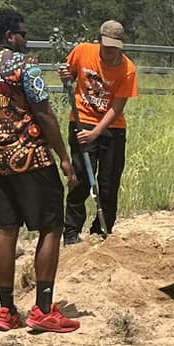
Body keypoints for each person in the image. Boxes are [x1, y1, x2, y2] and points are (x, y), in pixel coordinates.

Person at [0, 8, 81, 334]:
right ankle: (43, 309)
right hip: (32, 158)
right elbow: (44, 113)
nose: (27, 41)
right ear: (10, 36)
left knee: (6, 229)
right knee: (51, 227)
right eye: (24, 34)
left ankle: (6, 310)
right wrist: (62, 155)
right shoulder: (25, 65)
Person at [61, 19, 137, 245]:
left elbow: (117, 107)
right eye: (107, 46)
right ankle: (71, 231)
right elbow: (70, 76)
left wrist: (95, 133)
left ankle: (101, 230)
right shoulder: (83, 52)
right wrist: (65, 76)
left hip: (112, 129)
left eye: (116, 47)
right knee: (82, 178)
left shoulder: (128, 69)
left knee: (109, 182)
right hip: (82, 120)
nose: (111, 51)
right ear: (100, 41)